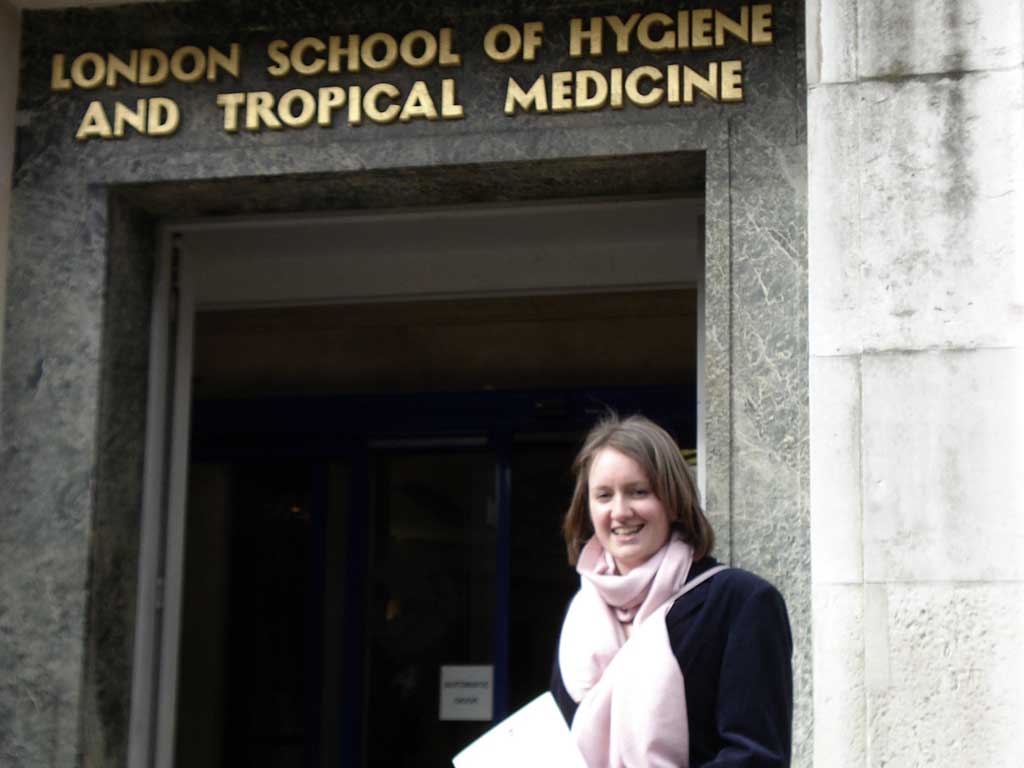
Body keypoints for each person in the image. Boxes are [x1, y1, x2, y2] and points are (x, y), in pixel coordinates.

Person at [550, 415, 793, 767]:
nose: (620, 511)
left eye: (639, 492)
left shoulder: (740, 602)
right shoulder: (581, 616)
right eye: (604, 495)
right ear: (588, 509)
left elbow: (757, 757)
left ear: (673, 500)